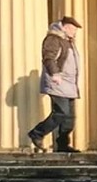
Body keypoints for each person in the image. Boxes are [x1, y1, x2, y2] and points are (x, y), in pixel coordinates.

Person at [28, 16, 83, 153]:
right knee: (61, 113)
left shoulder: (68, 42)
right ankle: (37, 133)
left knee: (70, 118)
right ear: (63, 27)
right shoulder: (53, 39)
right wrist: (55, 74)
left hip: (70, 85)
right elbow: (49, 58)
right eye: (72, 29)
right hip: (58, 82)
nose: (74, 32)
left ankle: (63, 145)